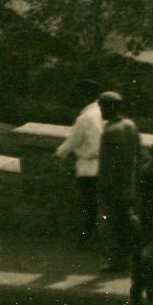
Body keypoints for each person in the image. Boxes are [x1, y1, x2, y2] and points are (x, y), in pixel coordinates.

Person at [96, 91, 142, 272]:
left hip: (114, 186)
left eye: (103, 107)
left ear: (112, 107)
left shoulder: (110, 131)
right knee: (127, 223)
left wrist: (103, 186)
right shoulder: (130, 125)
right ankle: (130, 259)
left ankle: (118, 261)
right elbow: (138, 155)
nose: (102, 111)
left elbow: (109, 165)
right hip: (130, 183)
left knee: (114, 224)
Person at [55, 93, 107, 248]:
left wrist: (59, 153)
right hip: (105, 166)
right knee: (102, 205)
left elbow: (73, 140)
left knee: (89, 206)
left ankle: (86, 239)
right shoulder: (102, 114)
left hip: (88, 168)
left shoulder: (84, 118)